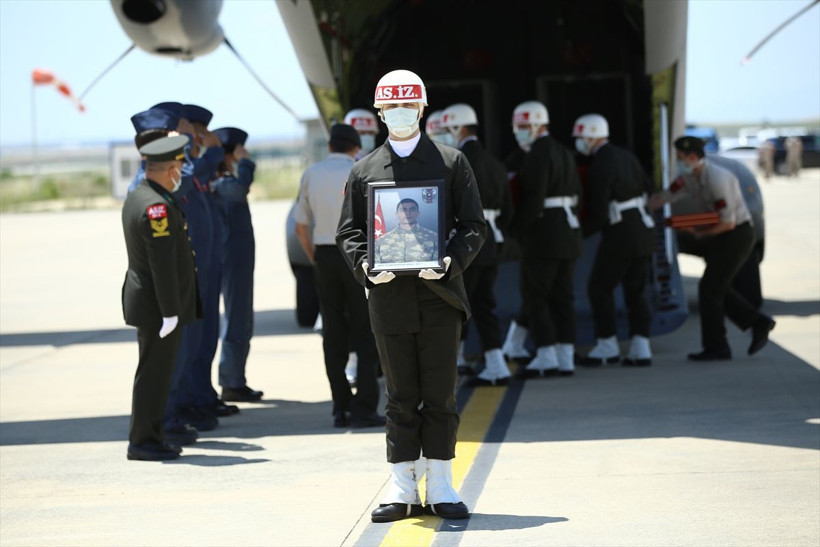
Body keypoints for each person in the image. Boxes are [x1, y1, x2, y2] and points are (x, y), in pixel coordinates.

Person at [336, 69, 486, 522]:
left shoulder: (452, 162)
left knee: (440, 394)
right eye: (391, 107)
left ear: (422, 109)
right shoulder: (363, 170)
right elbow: (349, 232)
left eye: (408, 106)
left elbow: (474, 226)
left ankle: (440, 484)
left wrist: (450, 261)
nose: (400, 114)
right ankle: (401, 487)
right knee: (400, 395)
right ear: (380, 114)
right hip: (389, 298)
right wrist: (365, 266)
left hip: (439, 295)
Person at [649, 136, 776, 361]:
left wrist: (699, 233)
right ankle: (756, 323)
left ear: (692, 157)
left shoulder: (718, 179)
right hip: (723, 234)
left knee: (710, 288)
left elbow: (728, 222)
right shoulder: (689, 176)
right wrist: (645, 205)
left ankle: (718, 346)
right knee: (716, 287)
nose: (677, 162)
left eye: (680, 157)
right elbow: (668, 195)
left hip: (737, 235)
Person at [293, 123, 385, 428]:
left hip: (325, 255)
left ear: (330, 145)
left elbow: (301, 226)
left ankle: (340, 406)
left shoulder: (311, 173)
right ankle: (365, 406)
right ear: (355, 147)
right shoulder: (363, 170)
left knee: (333, 334)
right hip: (358, 254)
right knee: (366, 331)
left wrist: (316, 259)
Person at [121, 135, 201, 461]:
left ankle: (151, 435)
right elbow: (162, 265)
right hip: (157, 306)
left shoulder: (139, 196)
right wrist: (170, 312)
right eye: (179, 167)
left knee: (154, 373)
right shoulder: (157, 207)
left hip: (149, 302)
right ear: (170, 170)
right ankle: (143, 440)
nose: (180, 173)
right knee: (154, 375)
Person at [574, 113, 656, 367]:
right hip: (643, 229)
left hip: (620, 233)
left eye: (580, 137)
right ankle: (641, 346)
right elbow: (649, 187)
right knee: (635, 290)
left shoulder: (601, 163)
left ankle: (607, 345)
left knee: (599, 288)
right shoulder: (626, 156)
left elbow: (599, 211)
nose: (579, 142)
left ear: (591, 136)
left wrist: (578, 234)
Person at [440, 102, 513, 385]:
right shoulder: (495, 163)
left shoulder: (456, 161)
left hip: (465, 241)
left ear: (458, 128)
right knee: (484, 304)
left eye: (449, 129)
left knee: (457, 304)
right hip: (491, 240)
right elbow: (508, 209)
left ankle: (454, 361)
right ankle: (496, 364)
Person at [509, 100, 582, 377]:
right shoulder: (563, 151)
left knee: (535, 295)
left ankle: (546, 353)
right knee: (563, 296)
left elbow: (534, 197)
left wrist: (516, 228)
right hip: (568, 232)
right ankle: (565, 356)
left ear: (538, 125)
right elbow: (578, 194)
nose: (519, 131)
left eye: (524, 126)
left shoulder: (537, 153)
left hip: (543, 235)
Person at [211, 127, 263, 402]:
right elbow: (241, 187)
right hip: (232, 258)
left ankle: (234, 379)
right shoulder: (222, 183)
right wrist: (245, 162)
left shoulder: (221, 180)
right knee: (236, 319)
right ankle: (231, 381)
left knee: (240, 319)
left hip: (236, 258)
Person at [374, 198, 439, 264]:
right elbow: (376, 266)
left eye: (412, 209)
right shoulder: (381, 241)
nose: (408, 213)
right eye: (403, 210)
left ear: (418, 213)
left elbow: (438, 265)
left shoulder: (434, 238)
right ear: (397, 214)